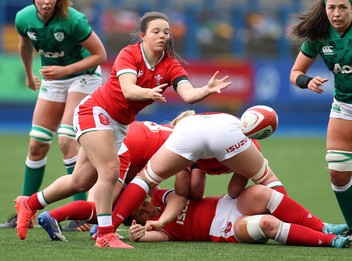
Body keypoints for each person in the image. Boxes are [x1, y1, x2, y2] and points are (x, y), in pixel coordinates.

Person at [13, 11, 231, 248]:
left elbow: (188, 94)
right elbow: (128, 90)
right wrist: (149, 93)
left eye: (166, 32)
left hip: (119, 124)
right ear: (143, 36)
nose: (162, 36)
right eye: (156, 31)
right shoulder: (130, 54)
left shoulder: (170, 64)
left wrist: (205, 90)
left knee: (80, 181)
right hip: (95, 111)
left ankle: (30, 203)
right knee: (110, 171)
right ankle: (105, 235)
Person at [0, 0, 107, 231]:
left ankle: (80, 214)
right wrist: (28, 74)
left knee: (67, 139)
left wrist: (65, 70)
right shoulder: (23, 18)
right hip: (54, 79)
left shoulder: (73, 19)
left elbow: (100, 55)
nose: (46, 1)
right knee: (37, 144)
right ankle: (24, 209)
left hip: (83, 76)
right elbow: (25, 45)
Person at [111, 112, 287, 230]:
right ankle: (288, 220)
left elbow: (191, 191)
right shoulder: (248, 147)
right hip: (228, 129)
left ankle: (106, 228)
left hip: (198, 131)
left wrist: (187, 166)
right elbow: (227, 191)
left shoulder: (186, 140)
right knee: (266, 179)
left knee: (144, 179)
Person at [288, 0, 352, 232]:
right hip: (345, 106)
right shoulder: (319, 36)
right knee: (337, 171)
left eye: (343, 7)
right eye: (331, 7)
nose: (336, 13)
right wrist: (307, 82)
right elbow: (295, 73)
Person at [127, 186, 352, 248]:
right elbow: (151, 238)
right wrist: (137, 235)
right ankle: (332, 241)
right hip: (226, 228)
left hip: (228, 203)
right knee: (267, 224)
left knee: (262, 192)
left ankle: (323, 226)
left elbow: (176, 196)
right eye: (141, 214)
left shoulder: (160, 197)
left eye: (143, 205)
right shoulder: (160, 232)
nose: (147, 210)